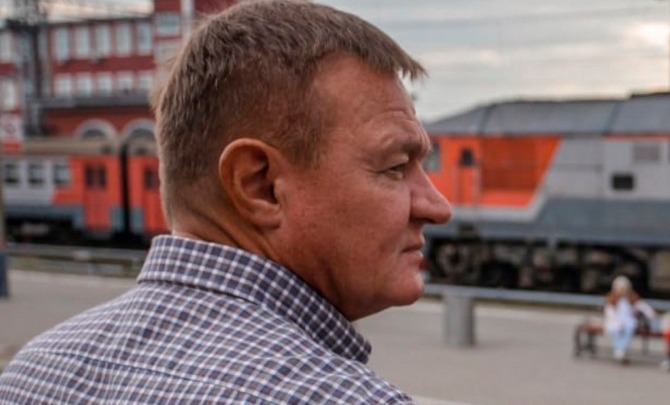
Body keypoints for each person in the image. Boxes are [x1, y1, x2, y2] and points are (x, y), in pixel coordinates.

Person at [0, 1, 451, 403]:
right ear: (259, 186)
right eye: (395, 167)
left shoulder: (32, 371)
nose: (437, 206)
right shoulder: (343, 397)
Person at [603, 275, 657, 364]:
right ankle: (619, 349)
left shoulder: (631, 297)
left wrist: (650, 313)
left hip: (628, 320)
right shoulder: (612, 298)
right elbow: (609, 313)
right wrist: (616, 322)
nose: (622, 290)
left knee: (629, 328)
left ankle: (620, 349)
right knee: (614, 330)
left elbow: (642, 306)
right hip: (615, 320)